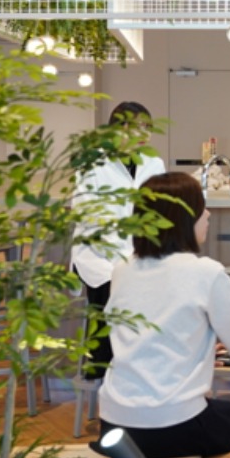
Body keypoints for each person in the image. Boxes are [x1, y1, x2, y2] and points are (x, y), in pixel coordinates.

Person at [98, 172, 230, 458]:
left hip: (114, 423)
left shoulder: (121, 270)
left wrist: (197, 348)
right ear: (183, 219)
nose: (208, 214)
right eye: (201, 208)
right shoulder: (207, 273)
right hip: (175, 424)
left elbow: (141, 334)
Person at [71, 101, 167, 375]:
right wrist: (124, 259)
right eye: (137, 127)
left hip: (139, 254)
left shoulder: (154, 163)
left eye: (148, 127)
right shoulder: (93, 163)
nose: (144, 134)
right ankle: (104, 378)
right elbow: (88, 216)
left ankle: (143, 376)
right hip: (99, 255)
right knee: (111, 295)